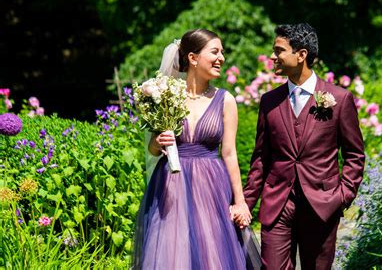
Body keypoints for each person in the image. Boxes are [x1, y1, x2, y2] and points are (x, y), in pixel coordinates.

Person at [240, 23, 365, 269]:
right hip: (278, 204)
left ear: (301, 55)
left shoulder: (339, 99)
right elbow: (261, 159)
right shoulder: (269, 101)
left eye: (279, 51)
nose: (273, 57)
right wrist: (246, 203)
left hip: (322, 205)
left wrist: (342, 195)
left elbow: (354, 154)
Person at [133, 29, 260, 269]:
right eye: (215, 52)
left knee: (211, 254)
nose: (221, 58)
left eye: (222, 52)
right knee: (172, 256)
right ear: (193, 58)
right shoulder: (167, 97)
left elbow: (229, 153)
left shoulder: (226, 100)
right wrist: (158, 141)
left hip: (210, 188)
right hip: (170, 189)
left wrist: (240, 202)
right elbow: (152, 149)